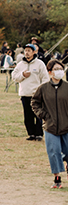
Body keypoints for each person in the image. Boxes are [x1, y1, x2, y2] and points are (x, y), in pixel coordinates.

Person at [31, 59, 68, 188]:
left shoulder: (67, 87)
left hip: (66, 126)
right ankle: (57, 178)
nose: (59, 72)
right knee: (54, 152)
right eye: (56, 69)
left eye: (61, 69)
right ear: (50, 72)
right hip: (50, 127)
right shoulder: (43, 88)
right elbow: (35, 103)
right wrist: (44, 115)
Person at [12, 44, 48, 141]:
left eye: (29, 50)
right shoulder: (20, 65)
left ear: (34, 52)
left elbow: (45, 79)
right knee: (28, 116)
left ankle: (39, 134)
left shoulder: (39, 64)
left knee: (38, 115)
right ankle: (31, 133)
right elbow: (14, 77)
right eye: (25, 50)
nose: (27, 52)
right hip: (25, 94)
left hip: (36, 94)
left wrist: (42, 92)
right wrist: (22, 75)